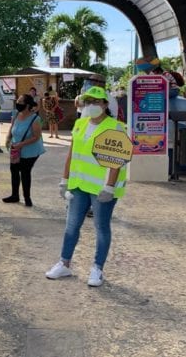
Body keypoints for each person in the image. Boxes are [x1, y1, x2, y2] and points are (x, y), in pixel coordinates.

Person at [45, 86, 128, 287]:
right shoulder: (80, 124)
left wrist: (109, 187)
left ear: (106, 104)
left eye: (96, 102)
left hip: (102, 189)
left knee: (101, 227)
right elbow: (72, 154)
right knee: (71, 225)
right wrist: (64, 180)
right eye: (88, 101)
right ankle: (64, 263)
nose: (91, 105)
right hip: (79, 184)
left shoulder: (115, 127)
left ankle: (97, 269)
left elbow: (116, 160)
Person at [3, 94, 44, 207]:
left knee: (25, 172)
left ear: (27, 105)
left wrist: (22, 144)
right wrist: (8, 138)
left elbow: (36, 137)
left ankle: (27, 198)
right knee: (14, 171)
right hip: (16, 149)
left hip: (30, 150)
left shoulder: (35, 118)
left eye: (20, 102)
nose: (17, 103)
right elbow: (12, 128)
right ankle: (14, 195)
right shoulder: (16, 114)